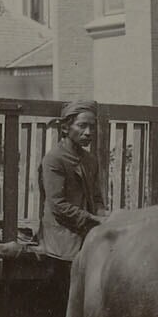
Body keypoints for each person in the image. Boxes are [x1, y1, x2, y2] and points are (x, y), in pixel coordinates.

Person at [38, 100, 105, 266]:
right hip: (61, 239)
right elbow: (58, 205)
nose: (88, 132)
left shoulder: (90, 160)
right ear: (65, 128)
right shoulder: (54, 159)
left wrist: (104, 216)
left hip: (88, 233)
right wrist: (93, 219)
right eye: (82, 126)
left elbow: (97, 198)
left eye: (92, 127)